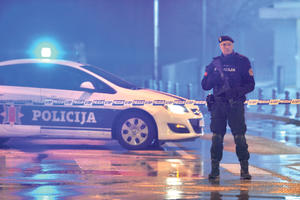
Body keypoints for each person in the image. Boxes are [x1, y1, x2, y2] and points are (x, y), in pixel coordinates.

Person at [201, 35, 255, 180]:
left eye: (229, 44)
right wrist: (213, 78)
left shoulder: (242, 62)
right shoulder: (214, 64)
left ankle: (244, 170)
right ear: (220, 46)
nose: (226, 47)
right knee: (217, 138)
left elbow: (251, 84)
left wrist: (237, 91)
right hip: (218, 105)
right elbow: (205, 85)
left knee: (240, 137)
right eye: (224, 44)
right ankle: (214, 171)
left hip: (235, 105)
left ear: (233, 45)